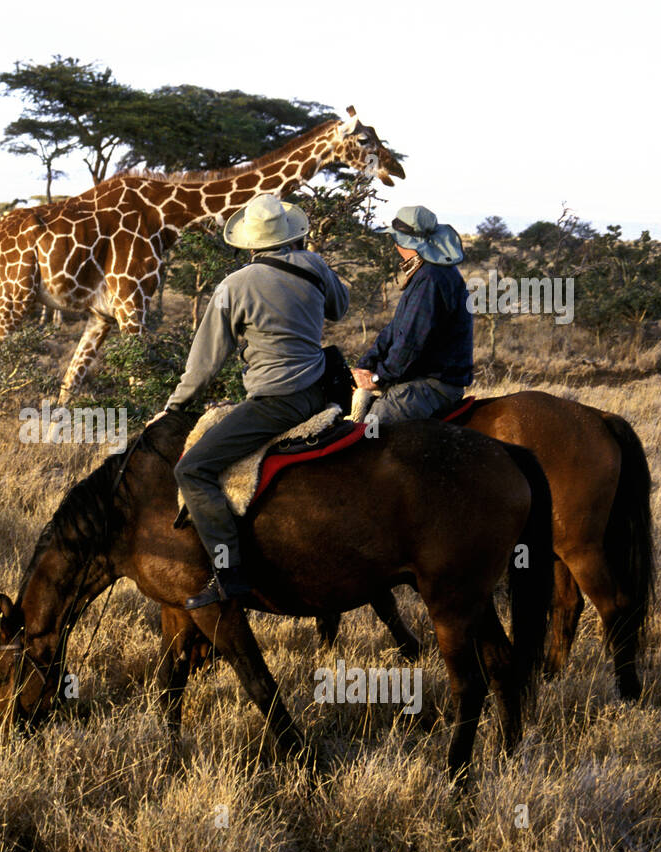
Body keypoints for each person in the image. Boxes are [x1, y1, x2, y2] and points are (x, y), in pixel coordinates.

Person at [162, 193, 349, 609]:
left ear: (248, 243)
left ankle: (230, 576)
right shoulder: (314, 265)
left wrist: (176, 405)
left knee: (192, 470)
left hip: (276, 402)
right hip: (324, 392)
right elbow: (341, 308)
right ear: (291, 235)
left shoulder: (235, 285)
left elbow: (205, 362)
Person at [351, 205, 472, 423]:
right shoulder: (429, 271)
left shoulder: (430, 277)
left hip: (433, 385)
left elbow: (410, 342)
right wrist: (365, 365)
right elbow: (395, 329)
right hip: (423, 379)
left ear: (403, 242)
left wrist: (378, 378)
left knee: (372, 427)